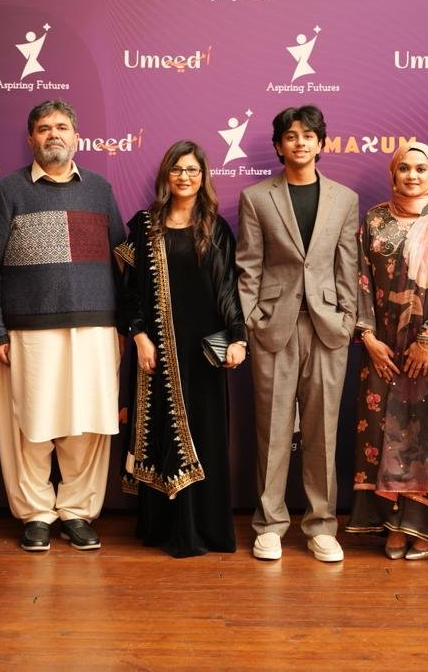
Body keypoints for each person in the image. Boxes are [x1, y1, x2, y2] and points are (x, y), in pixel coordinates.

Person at [0, 100, 126, 553]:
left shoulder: (99, 189)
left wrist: (122, 327)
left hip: (95, 329)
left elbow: (122, 262)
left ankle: (78, 512)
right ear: (31, 139)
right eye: (44, 128)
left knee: (86, 428)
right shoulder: (7, 191)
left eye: (62, 127)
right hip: (27, 333)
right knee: (28, 427)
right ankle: (36, 514)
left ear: (77, 137)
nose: (54, 134)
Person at [236, 105, 359, 563]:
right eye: (291, 136)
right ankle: (269, 525)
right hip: (274, 326)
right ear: (278, 146)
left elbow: (347, 265)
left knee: (322, 432)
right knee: (271, 431)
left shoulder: (344, 199)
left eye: (309, 135)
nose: (300, 142)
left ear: (321, 143)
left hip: (327, 328)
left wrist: (347, 319)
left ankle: (322, 526)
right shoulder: (256, 197)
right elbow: (249, 265)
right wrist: (252, 319)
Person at [348, 141, 428, 560]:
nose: (412, 175)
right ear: (393, 174)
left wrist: (427, 341)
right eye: (404, 168)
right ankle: (395, 524)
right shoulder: (374, 221)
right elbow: (360, 281)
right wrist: (369, 338)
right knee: (388, 432)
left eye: (421, 169)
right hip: (385, 350)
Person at [115, 140, 246, 557]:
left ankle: (205, 529)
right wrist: (139, 336)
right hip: (155, 351)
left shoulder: (216, 227)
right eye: (177, 169)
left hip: (203, 352)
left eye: (192, 170)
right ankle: (162, 529)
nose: (184, 177)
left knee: (204, 434)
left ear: (203, 176)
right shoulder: (144, 225)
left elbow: (227, 289)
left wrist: (238, 337)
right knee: (159, 434)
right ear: (166, 176)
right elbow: (128, 290)